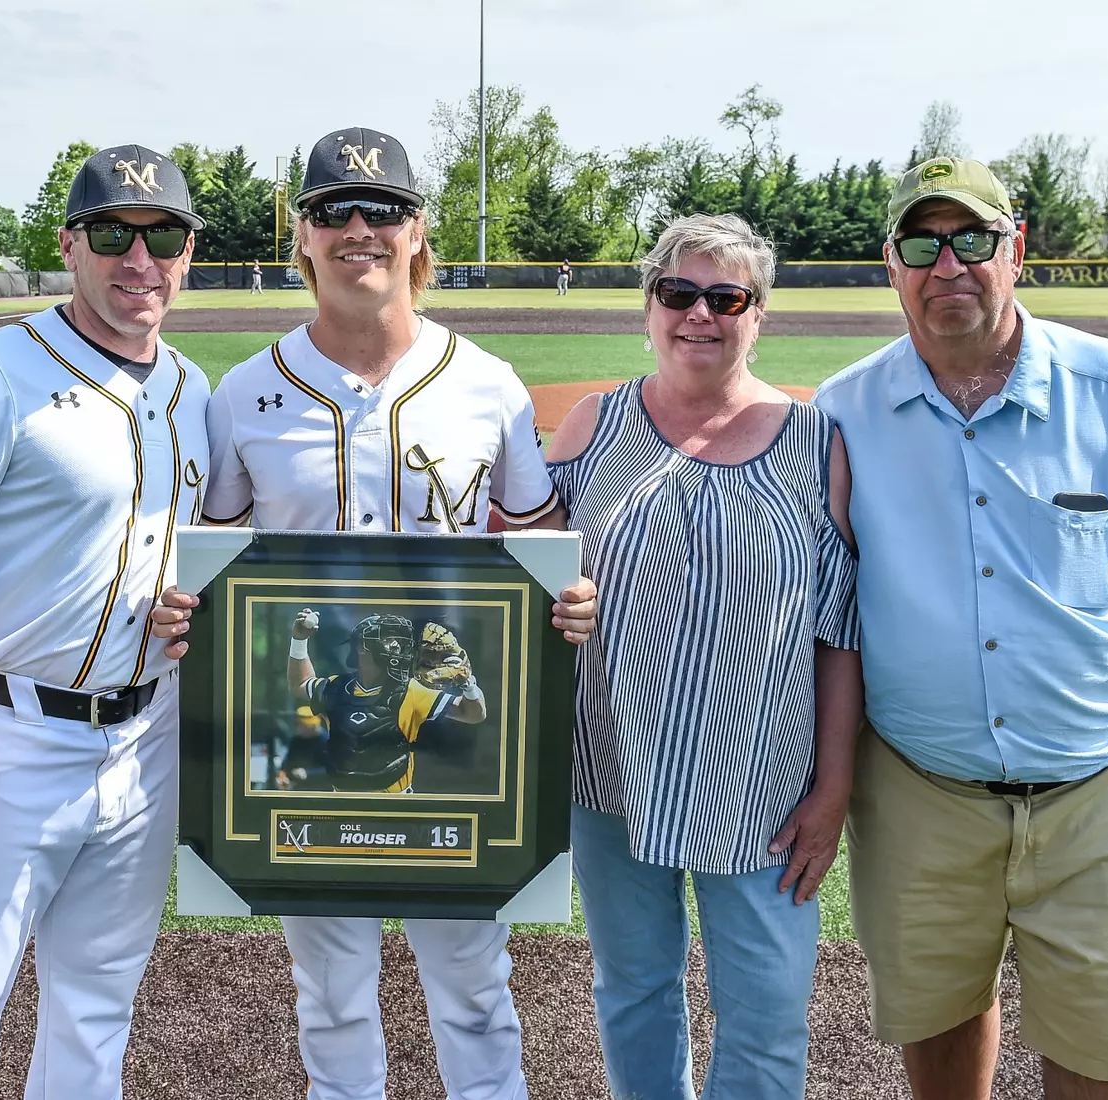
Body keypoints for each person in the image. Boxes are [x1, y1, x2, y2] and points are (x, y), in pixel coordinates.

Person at [150, 125, 598, 1100]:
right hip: (307, 737)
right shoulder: (246, 392)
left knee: (476, 983)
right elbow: (219, 563)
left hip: (451, 741)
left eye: (382, 209)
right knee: (333, 992)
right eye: (332, 210)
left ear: (416, 229)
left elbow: (538, 544)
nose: (359, 227)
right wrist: (189, 608)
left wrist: (564, 599)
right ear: (301, 235)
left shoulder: (488, 384)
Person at [815, 157, 1108, 1100]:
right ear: (889, 265)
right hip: (918, 790)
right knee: (937, 1028)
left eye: (972, 241)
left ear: (1015, 252)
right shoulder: (842, 412)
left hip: (1101, 793)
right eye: (922, 245)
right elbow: (817, 605)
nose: (949, 267)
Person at [0, 144, 208, 1099]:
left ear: (188, 251)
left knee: (97, 1015)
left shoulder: (194, 391)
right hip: (1, 738)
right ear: (70, 244)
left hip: (146, 742)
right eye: (113, 234)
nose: (138, 261)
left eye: (163, 237)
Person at [544, 212, 863, 1100]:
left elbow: (839, 631)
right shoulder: (591, 427)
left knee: (766, 1010)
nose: (699, 315)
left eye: (725, 297)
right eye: (677, 293)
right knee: (635, 990)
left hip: (763, 785)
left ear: (757, 314)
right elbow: (524, 579)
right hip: (612, 772)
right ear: (646, 305)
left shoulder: (813, 439)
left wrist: (831, 791)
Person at [287, 609, 485, 792]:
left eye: (398, 641)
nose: (397, 647)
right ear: (363, 647)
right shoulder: (335, 688)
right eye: (389, 639)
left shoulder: (412, 690)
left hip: (395, 810)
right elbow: (300, 684)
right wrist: (299, 640)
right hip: (344, 807)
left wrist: (468, 684)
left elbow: (473, 714)